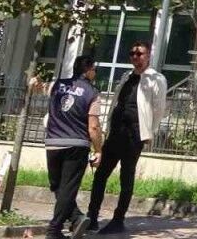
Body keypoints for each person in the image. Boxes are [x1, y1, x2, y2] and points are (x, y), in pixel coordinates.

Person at [87, 41, 167, 234]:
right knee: (101, 174)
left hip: (134, 134)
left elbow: (158, 109)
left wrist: (148, 132)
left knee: (126, 176)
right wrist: (107, 127)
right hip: (116, 132)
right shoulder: (127, 76)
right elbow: (116, 102)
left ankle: (118, 219)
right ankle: (92, 217)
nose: (135, 57)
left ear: (148, 56)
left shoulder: (155, 79)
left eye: (140, 54)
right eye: (132, 54)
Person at [44, 56, 102, 239]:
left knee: (57, 186)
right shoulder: (92, 93)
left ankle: (76, 218)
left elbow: (40, 88)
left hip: (53, 143)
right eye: (94, 69)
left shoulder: (57, 84)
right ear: (88, 70)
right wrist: (98, 150)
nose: (95, 73)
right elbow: (93, 126)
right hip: (77, 145)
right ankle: (54, 230)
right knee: (67, 189)